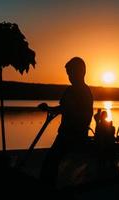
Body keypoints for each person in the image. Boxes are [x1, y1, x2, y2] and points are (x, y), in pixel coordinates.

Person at [38, 57, 93, 187]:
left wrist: (66, 113)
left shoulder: (84, 92)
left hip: (73, 135)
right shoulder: (70, 90)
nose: (69, 77)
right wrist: (49, 108)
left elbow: (84, 115)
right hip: (65, 133)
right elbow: (63, 108)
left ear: (81, 72)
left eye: (71, 73)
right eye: (68, 74)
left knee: (51, 161)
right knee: (51, 161)